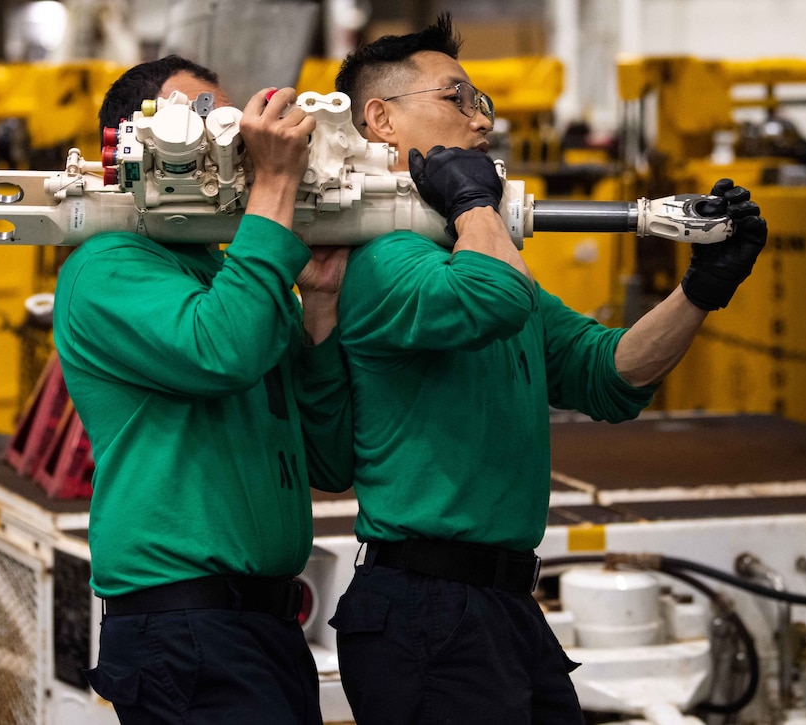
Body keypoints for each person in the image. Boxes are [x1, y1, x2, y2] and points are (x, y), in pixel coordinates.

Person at [327, 14, 767, 725]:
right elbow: (494, 296)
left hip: (498, 606)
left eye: (482, 105)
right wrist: (474, 202)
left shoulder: (481, 256)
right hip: (426, 607)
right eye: (457, 99)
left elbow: (608, 375)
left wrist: (702, 291)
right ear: (380, 121)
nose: (481, 123)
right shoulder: (384, 263)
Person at [52, 55, 352, 724]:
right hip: (185, 628)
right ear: (136, 148)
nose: (226, 141)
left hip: (262, 626)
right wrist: (274, 190)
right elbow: (221, 350)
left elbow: (329, 460)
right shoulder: (106, 267)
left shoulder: (237, 273)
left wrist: (320, 306)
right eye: (204, 123)